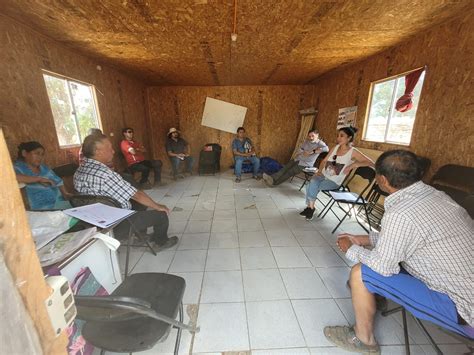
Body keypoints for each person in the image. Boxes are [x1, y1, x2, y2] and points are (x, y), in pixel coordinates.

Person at [325, 150, 473, 354]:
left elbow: (383, 266)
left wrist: (351, 248)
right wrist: (364, 239)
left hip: (463, 307)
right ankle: (374, 297)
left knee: (360, 273)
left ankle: (363, 339)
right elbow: (413, 237)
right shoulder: (438, 195)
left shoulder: (400, 213)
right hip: (463, 282)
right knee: (373, 267)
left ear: (383, 180)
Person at [74, 134, 178, 249]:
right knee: (161, 215)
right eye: (109, 148)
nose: (113, 151)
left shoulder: (79, 171)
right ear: (98, 151)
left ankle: (140, 237)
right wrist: (157, 206)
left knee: (139, 203)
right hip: (116, 223)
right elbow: (136, 194)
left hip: (93, 221)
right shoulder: (106, 174)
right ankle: (161, 242)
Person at [300, 126, 374, 220]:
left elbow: (371, 162)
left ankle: (310, 208)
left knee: (310, 185)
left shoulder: (353, 152)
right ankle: (310, 208)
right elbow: (324, 161)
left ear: (349, 138)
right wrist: (319, 171)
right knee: (312, 183)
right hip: (323, 175)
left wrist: (354, 164)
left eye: (341, 136)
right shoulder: (335, 147)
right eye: (338, 135)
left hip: (334, 182)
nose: (338, 138)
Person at [14, 141, 73, 210]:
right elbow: (13, 177)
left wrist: (65, 193)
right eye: (37, 153)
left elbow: (58, 181)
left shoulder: (43, 168)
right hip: (41, 208)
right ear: (24, 153)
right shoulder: (18, 168)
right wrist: (39, 179)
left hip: (58, 203)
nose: (40, 157)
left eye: (42, 154)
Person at [262, 130, 329, 186]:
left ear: (317, 135)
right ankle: (272, 178)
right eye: (309, 136)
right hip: (298, 159)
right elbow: (301, 149)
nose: (311, 138)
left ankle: (274, 183)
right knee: (285, 168)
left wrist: (313, 151)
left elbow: (327, 149)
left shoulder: (320, 143)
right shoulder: (307, 141)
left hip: (305, 164)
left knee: (289, 172)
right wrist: (301, 152)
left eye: (312, 136)